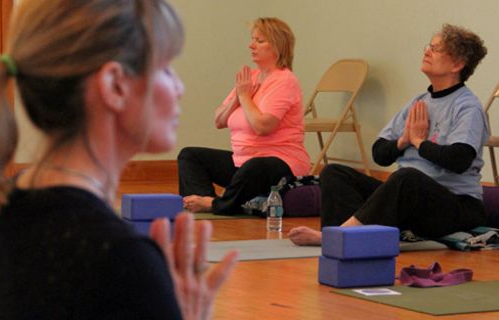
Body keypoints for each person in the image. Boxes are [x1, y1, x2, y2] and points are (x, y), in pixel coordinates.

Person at [0, 0, 237, 319]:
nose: (179, 87)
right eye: (165, 68)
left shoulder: (0, 212)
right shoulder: (122, 259)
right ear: (114, 85)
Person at [289, 23, 488, 246]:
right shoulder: (418, 102)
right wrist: (403, 141)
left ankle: (338, 237)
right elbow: (379, 154)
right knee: (334, 173)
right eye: (428, 46)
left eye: (437, 49)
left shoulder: (467, 106)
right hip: (407, 200)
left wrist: (419, 142)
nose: (427, 51)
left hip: (454, 206)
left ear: (458, 64)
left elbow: (459, 159)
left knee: (406, 177)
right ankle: (342, 238)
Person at [178, 17, 310, 215]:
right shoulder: (251, 78)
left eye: (259, 40)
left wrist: (245, 97)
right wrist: (237, 97)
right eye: (252, 39)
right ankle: (206, 201)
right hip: (242, 162)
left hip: (279, 164)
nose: (251, 45)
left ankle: (217, 205)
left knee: (254, 167)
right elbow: (219, 121)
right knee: (189, 155)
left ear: (277, 45)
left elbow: (262, 126)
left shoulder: (285, 81)